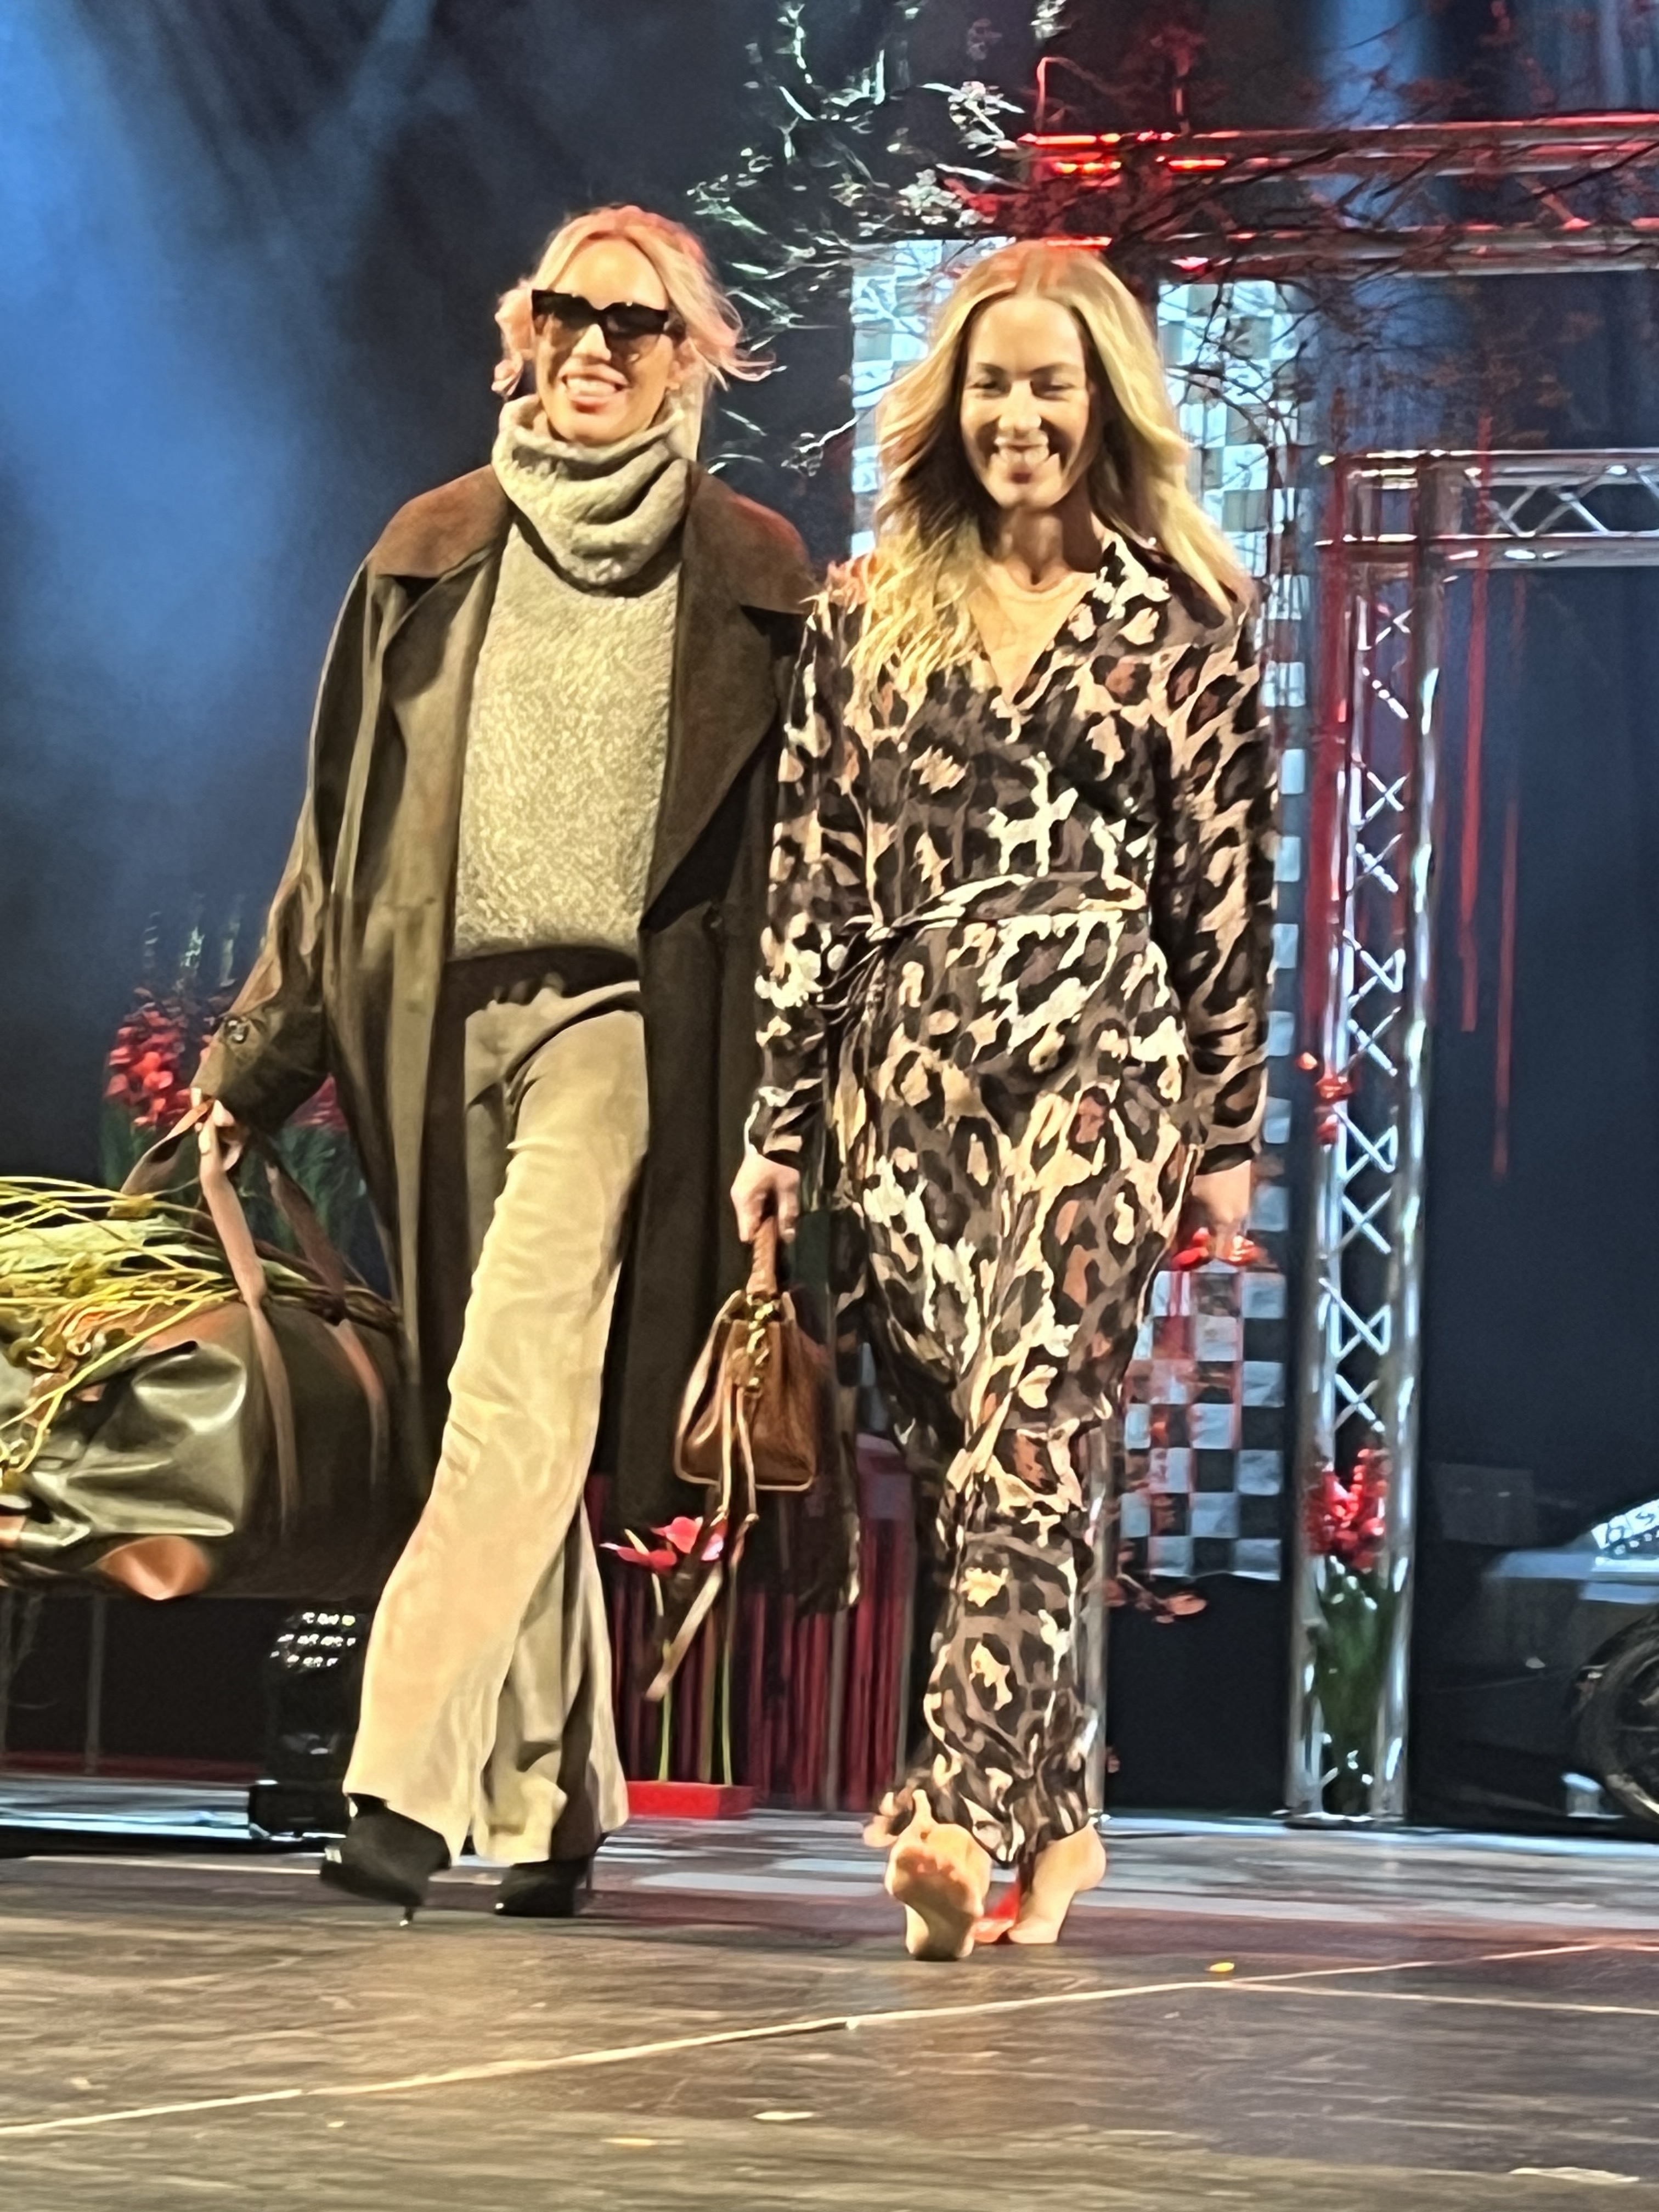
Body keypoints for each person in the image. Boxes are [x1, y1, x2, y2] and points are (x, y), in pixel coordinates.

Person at [195, 206, 813, 1916]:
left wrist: (793, 1107)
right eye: (568, 313)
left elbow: (804, 868)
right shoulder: (433, 548)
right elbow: (335, 840)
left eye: (637, 322)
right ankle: (557, 1800)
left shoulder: (751, 576)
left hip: (625, 1027)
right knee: (503, 1409)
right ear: (523, 332)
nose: (596, 346)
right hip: (430, 1030)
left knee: (514, 1394)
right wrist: (254, 1062)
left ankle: (400, 1779)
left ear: (693, 358)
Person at [732, 241, 1275, 1960]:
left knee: (1036, 1421)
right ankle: (1060, 1820)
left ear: (1106, 401)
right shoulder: (865, 612)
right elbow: (812, 880)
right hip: (908, 1077)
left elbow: (1223, 891)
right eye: (992, 384)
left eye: (1052, 383)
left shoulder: (1186, 617)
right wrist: (779, 1126)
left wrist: (1231, 1136)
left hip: (1106, 1053)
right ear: (948, 405)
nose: (1020, 415)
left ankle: (956, 1812)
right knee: (974, 1459)